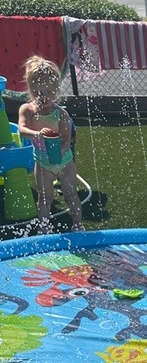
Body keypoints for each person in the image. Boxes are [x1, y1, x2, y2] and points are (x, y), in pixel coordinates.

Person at [18, 56, 84, 234]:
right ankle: (44, 227)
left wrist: (61, 152)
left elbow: (67, 139)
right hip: (42, 164)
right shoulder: (27, 110)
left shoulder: (61, 114)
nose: (43, 97)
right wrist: (36, 134)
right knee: (45, 198)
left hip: (65, 162)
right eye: (38, 92)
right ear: (30, 89)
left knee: (71, 194)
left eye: (48, 92)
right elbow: (22, 129)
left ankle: (78, 224)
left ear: (56, 90)